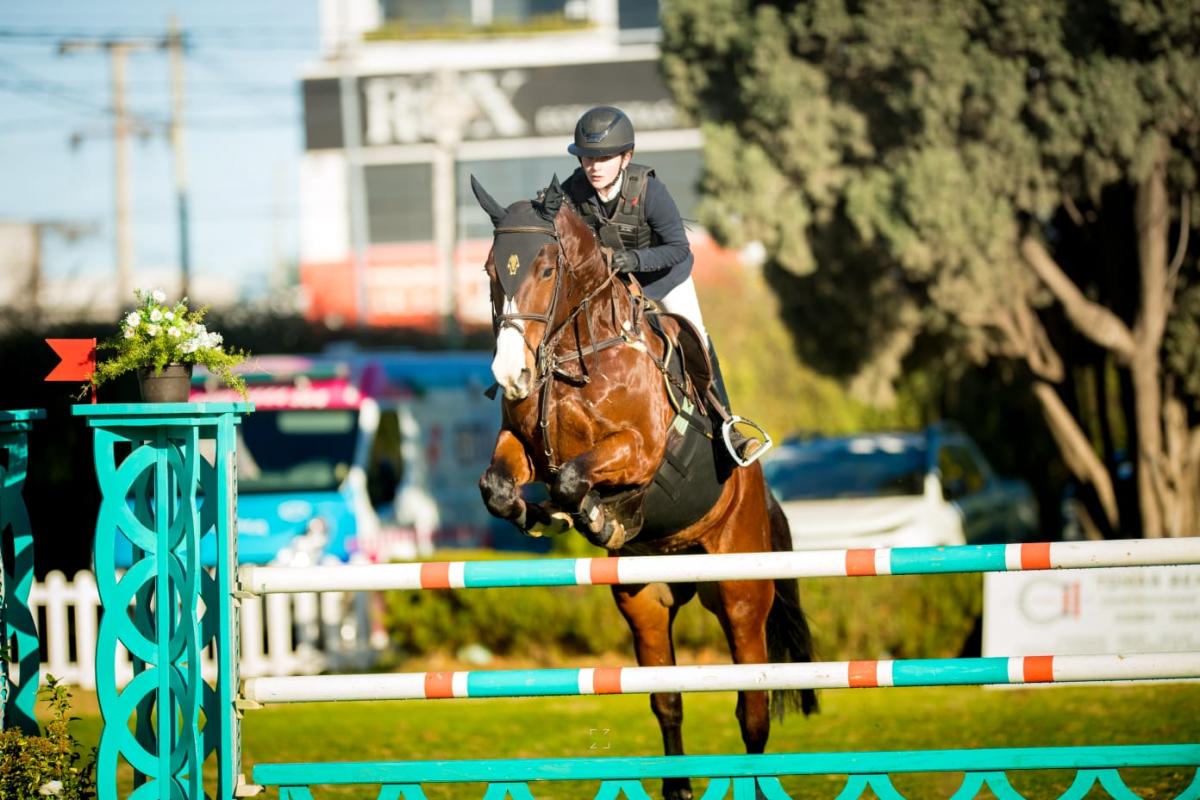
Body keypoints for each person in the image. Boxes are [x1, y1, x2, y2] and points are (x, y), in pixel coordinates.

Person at [560, 105, 769, 466]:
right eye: (587, 158)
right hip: (615, 285)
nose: (594, 166)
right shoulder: (573, 191)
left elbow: (678, 249)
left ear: (627, 157)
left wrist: (634, 262)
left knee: (697, 338)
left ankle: (726, 426)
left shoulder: (650, 191)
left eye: (604, 157)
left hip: (664, 279)